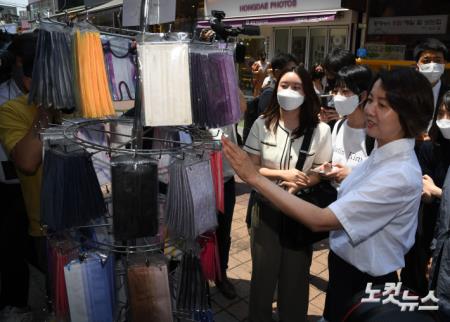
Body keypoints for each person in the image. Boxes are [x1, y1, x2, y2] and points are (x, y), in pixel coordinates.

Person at [222, 68, 434, 322]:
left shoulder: (397, 174)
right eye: (370, 101)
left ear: (408, 115)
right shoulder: (382, 152)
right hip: (346, 272)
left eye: (383, 104)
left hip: (367, 281)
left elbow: (321, 220)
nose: (369, 110)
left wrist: (254, 177)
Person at [244, 66, 332, 322]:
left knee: (295, 278)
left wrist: (302, 183)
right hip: (266, 209)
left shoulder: (321, 131)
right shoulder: (262, 124)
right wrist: (284, 176)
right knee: (263, 276)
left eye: (296, 87)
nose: (289, 91)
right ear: (275, 88)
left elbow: (321, 171)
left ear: (307, 93)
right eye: (284, 85)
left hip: (299, 211)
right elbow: (250, 167)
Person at [402, 90, 450, 296]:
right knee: (417, 282)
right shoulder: (429, 148)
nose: (445, 120)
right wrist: (427, 193)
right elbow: (424, 186)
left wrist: (438, 192)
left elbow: (433, 189)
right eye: (441, 114)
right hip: (428, 224)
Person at [320, 65, 374, 187]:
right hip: (333, 198)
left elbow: (383, 177)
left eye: (345, 91)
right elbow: (332, 162)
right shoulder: (339, 126)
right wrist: (329, 168)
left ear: (363, 96)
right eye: (336, 91)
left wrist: (352, 174)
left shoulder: (375, 134)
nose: (338, 97)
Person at [414, 38, 449, 133]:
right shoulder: (405, 91)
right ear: (417, 65)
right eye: (426, 61)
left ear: (444, 64)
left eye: (438, 60)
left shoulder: (448, 93)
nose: (432, 65)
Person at [320, 48, 356, 126]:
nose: (328, 78)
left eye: (331, 74)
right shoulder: (327, 92)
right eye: (326, 74)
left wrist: (344, 118)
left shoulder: (359, 94)